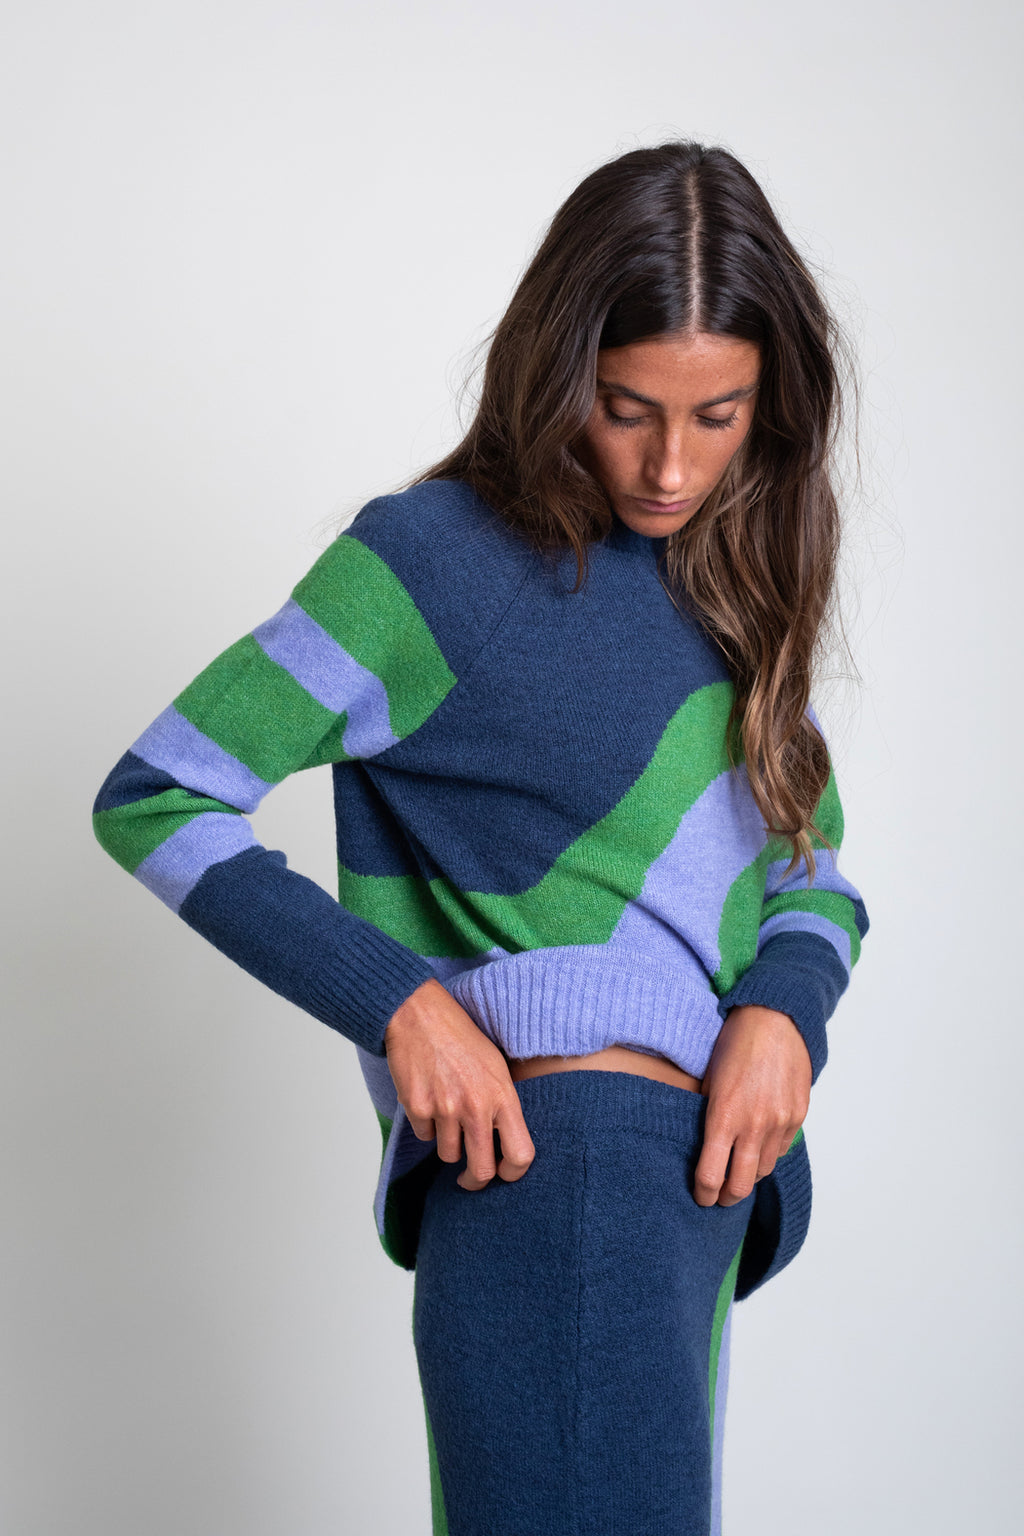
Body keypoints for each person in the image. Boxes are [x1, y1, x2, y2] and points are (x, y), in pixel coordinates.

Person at [93, 140, 869, 1535]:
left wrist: (785, 1014)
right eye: (627, 410)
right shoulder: (439, 561)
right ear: (557, 369)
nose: (672, 465)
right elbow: (160, 794)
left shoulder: (736, 577)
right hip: (554, 1167)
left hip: (691, 1184)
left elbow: (812, 865)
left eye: (719, 415)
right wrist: (402, 1005)